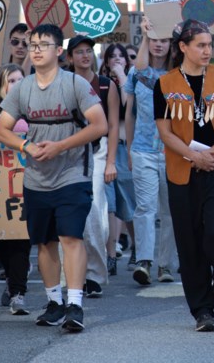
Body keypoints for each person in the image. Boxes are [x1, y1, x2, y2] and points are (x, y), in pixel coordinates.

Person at [0, 23, 108, 333]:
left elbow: (99, 125)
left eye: (44, 44)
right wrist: (26, 145)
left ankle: (75, 304)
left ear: (59, 51)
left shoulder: (75, 84)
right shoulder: (22, 87)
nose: (36, 49)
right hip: (36, 177)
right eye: (33, 44)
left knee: (71, 237)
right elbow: (1, 128)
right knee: (44, 242)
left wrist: (60, 146)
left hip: (73, 173)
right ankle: (54, 301)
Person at [154, 19, 214, 332]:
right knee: (190, 241)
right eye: (201, 45)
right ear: (183, 47)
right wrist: (194, 155)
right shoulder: (165, 83)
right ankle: (202, 311)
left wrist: (213, 153)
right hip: (182, 170)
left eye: (210, 44)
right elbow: (164, 132)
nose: (208, 50)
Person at [125, 18, 178, 284]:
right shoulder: (138, 72)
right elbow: (129, 113)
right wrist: (130, 148)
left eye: (164, 40)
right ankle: (144, 260)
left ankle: (166, 264)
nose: (159, 44)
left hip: (173, 152)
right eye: (154, 40)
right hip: (143, 149)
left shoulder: (180, 74)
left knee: (170, 210)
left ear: (172, 44)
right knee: (145, 207)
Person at [66, 36, 119, 299]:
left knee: (96, 213)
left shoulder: (107, 85)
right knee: (72, 216)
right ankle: (76, 275)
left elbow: (113, 124)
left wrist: (111, 161)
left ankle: (96, 275)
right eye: (79, 52)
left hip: (98, 153)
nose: (85, 56)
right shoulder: (62, 82)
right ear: (70, 57)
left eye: (88, 51)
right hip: (68, 155)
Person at [0, 64, 33, 315]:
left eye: (20, 79)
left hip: (27, 183)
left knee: (22, 241)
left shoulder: (33, 110)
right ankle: (13, 279)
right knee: (0, 242)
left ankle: (18, 293)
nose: (17, 84)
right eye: (11, 80)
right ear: (1, 87)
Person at [101, 43, 136, 277]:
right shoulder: (99, 83)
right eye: (111, 56)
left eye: (120, 56)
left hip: (125, 149)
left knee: (128, 203)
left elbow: (128, 105)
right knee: (109, 205)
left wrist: (122, 75)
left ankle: (136, 247)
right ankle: (110, 255)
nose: (116, 60)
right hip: (103, 149)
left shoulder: (131, 80)